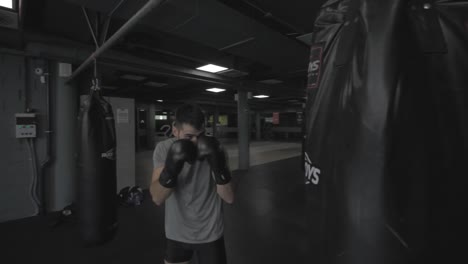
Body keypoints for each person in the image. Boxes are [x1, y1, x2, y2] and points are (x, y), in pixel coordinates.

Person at [150, 103, 234, 264]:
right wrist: (171, 169)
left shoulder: (216, 148)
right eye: (189, 137)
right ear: (175, 131)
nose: (196, 142)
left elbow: (229, 197)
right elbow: (157, 198)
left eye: (200, 135)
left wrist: (218, 166)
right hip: (177, 233)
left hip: (210, 233)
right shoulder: (163, 149)